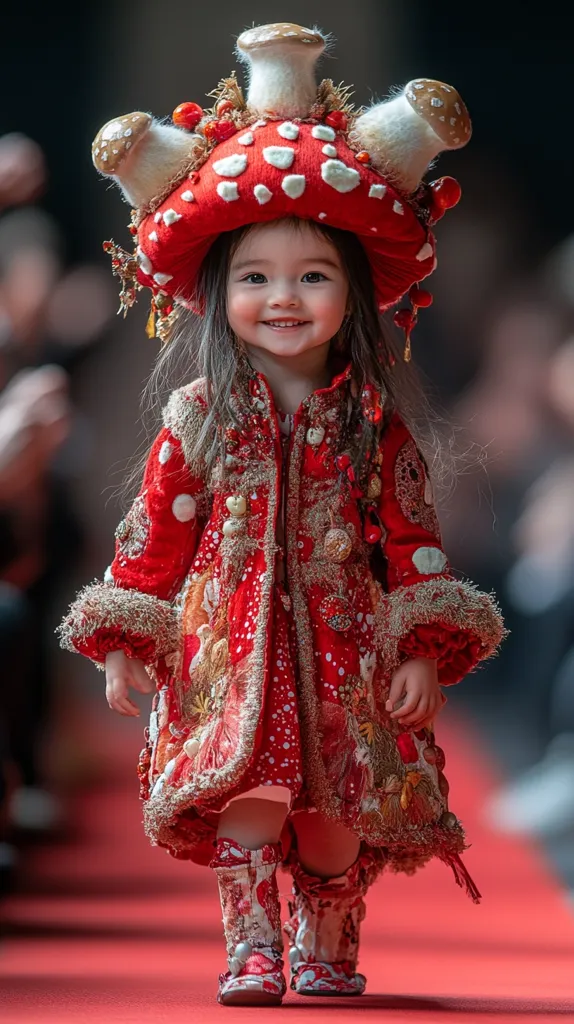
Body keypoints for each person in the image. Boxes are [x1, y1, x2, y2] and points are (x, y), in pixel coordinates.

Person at [58, 23, 505, 1007]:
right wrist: (128, 636)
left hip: (347, 646)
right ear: (220, 297)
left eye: (312, 275)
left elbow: (409, 539)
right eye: (256, 278)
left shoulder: (371, 423)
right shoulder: (199, 419)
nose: (283, 298)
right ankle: (252, 941)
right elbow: (157, 538)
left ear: (353, 293)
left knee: (337, 808)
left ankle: (328, 933)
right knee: (251, 797)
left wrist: (422, 644)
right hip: (228, 643)